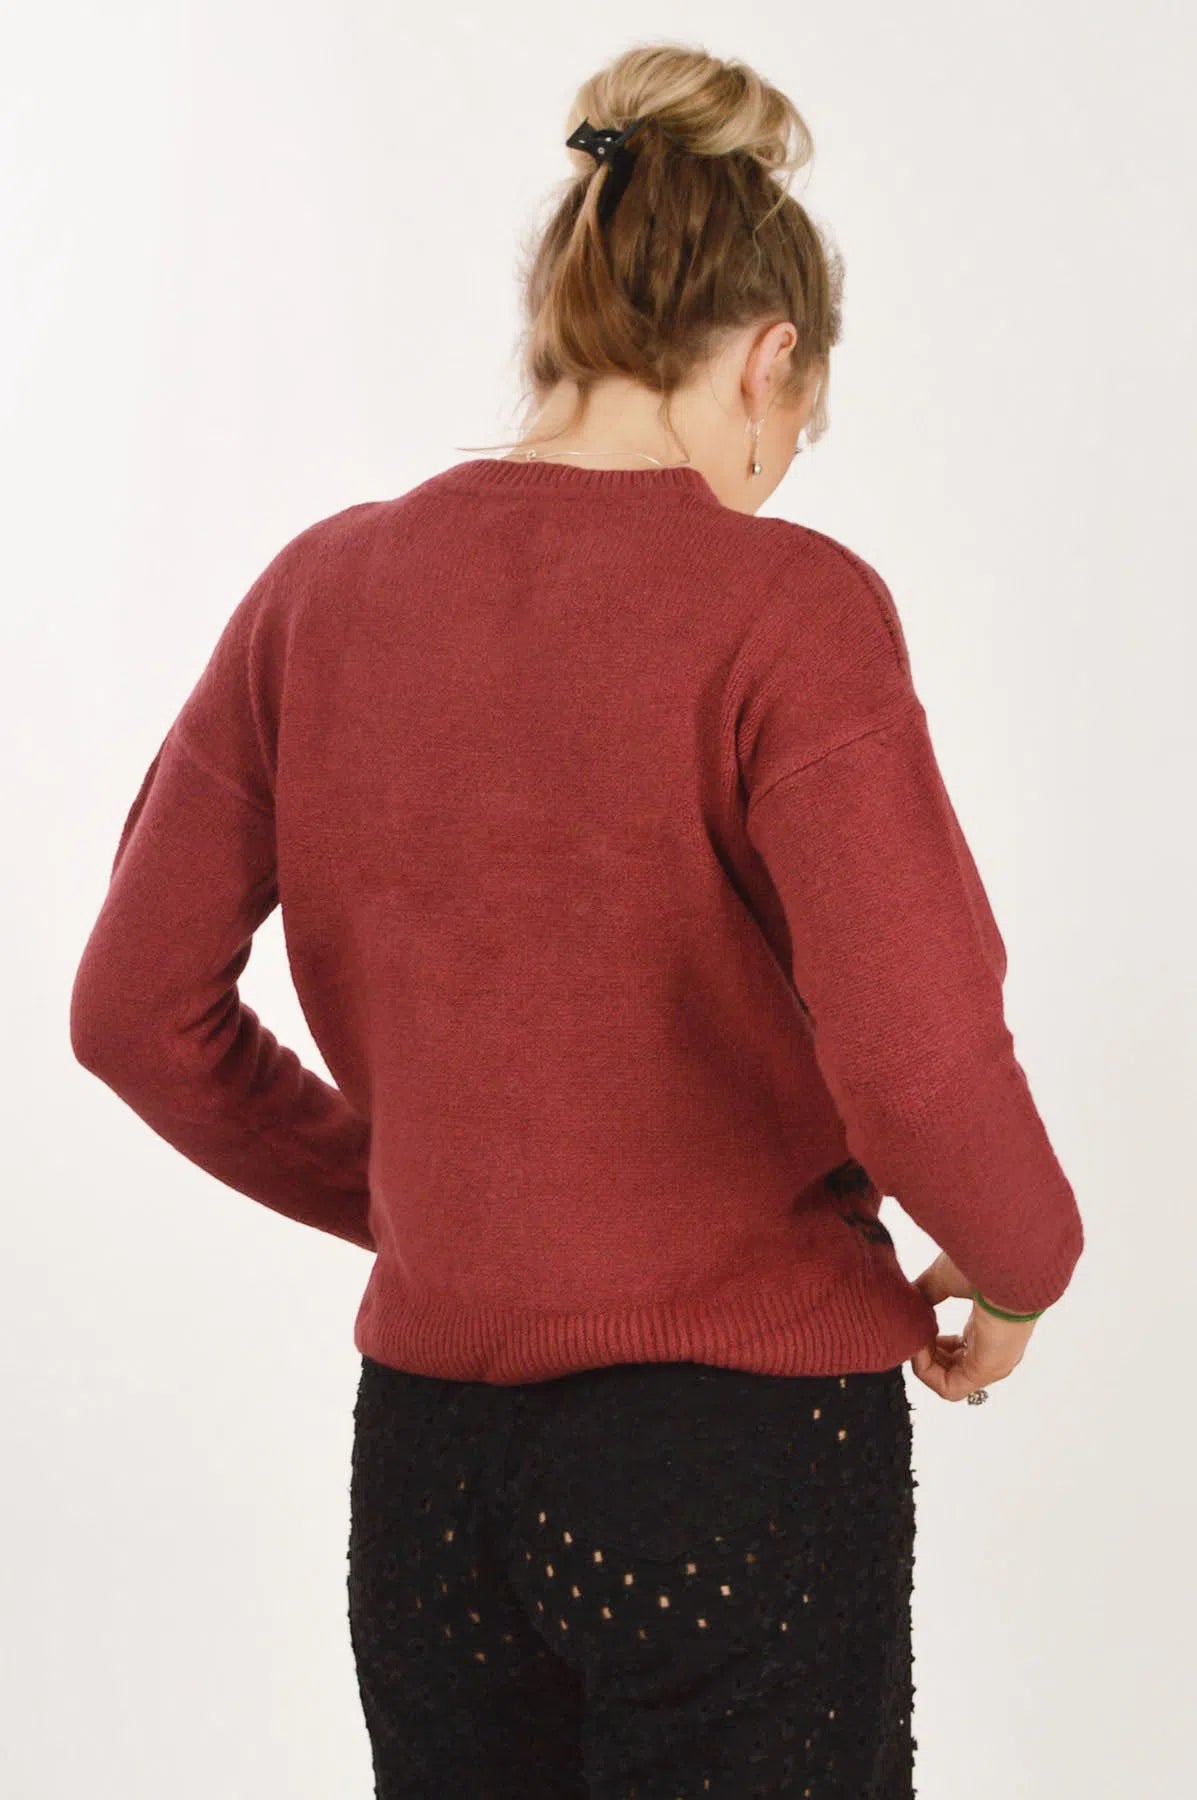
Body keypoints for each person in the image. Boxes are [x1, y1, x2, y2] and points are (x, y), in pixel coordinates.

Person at [70, 39, 1084, 1800]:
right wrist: (1015, 1266)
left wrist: (429, 1191)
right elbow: (917, 1052)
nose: (778, 473)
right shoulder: (787, 608)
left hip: (430, 1476)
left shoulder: (317, 594)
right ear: (766, 362)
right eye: (799, 427)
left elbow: (132, 1012)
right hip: (732, 1452)